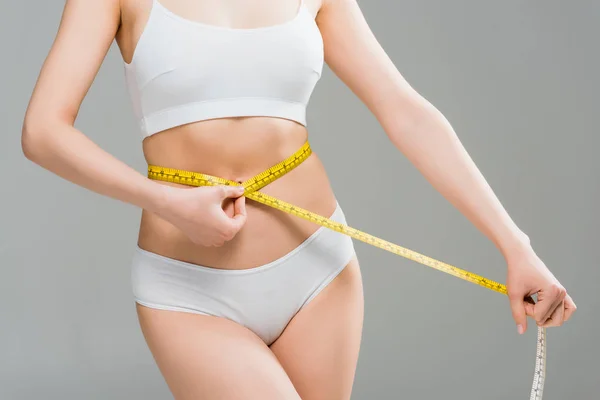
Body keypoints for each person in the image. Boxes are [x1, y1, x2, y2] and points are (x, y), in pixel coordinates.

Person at [21, 0, 576, 399]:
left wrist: (515, 245)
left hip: (317, 273)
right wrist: (164, 201)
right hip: (189, 289)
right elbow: (42, 131)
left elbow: (406, 111)